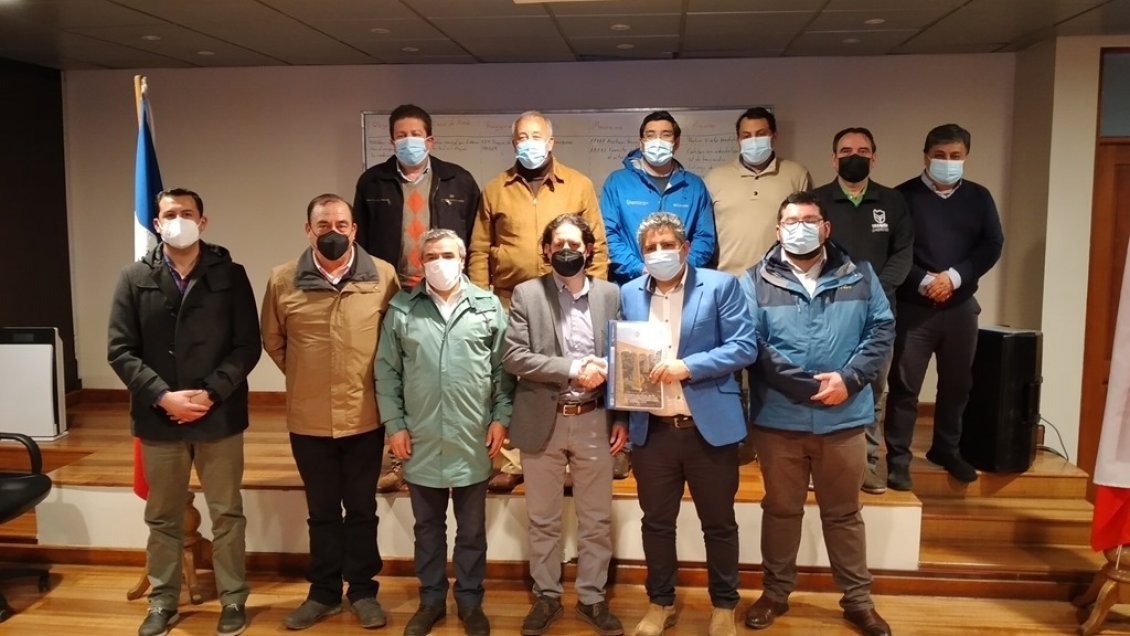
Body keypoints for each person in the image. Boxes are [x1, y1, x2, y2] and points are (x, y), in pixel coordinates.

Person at [740, 191, 894, 636]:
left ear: (826, 228)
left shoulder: (860, 274)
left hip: (843, 419)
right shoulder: (754, 280)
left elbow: (882, 329)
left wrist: (849, 379)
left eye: (809, 220)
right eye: (791, 221)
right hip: (779, 421)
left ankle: (858, 601)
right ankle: (775, 593)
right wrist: (808, 386)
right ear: (778, 230)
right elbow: (752, 343)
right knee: (781, 510)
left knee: (844, 514)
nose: (800, 228)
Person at [108, 188, 261, 636]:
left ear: (203, 221)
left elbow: (247, 346)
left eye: (187, 213)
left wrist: (210, 394)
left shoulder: (231, 274)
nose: (179, 220)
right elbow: (120, 350)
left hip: (219, 413)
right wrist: (163, 396)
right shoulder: (133, 277)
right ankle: (163, 601)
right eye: (170, 214)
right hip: (160, 417)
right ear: (157, 223)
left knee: (227, 513)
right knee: (163, 517)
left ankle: (233, 599)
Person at [261, 193, 400, 630]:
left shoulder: (383, 275)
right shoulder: (282, 279)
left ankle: (362, 591)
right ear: (309, 230)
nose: (333, 232)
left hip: (365, 416)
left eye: (341, 224)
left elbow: (394, 341)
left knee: (361, 509)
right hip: (309, 419)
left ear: (354, 229)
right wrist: (307, 376)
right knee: (321, 512)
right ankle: (323, 593)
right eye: (323, 225)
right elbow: (273, 340)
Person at [619, 212, 758, 636]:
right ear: (641, 254)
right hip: (653, 431)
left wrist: (689, 366)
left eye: (667, 245)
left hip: (707, 430)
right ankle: (660, 602)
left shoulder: (720, 285)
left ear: (684, 248)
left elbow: (744, 346)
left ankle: (724, 605)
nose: (659, 253)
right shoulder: (628, 293)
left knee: (719, 524)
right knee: (656, 524)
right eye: (650, 248)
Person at [376, 229, 510, 636]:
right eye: (431, 256)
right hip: (421, 438)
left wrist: (501, 417)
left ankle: (469, 600)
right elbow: (387, 372)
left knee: (472, 530)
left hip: (473, 437)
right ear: (421, 262)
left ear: (463, 258)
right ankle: (431, 600)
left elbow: (504, 370)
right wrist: (395, 426)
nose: (439, 262)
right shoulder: (402, 309)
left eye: (447, 255)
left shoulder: (488, 307)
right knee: (427, 529)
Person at [468, 110, 610, 492]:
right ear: (513, 143)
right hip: (507, 297)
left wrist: (594, 295)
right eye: (521, 137)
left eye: (536, 136)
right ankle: (513, 459)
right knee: (510, 378)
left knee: (561, 376)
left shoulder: (578, 184)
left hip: (565, 295)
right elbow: (479, 248)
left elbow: (596, 245)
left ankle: (567, 459)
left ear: (551, 142)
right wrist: (480, 300)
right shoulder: (495, 188)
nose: (528, 143)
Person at [502, 215, 628, 636]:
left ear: (589, 249)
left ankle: (592, 597)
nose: (567, 250)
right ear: (547, 250)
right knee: (543, 519)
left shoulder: (611, 294)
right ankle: (547, 596)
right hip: (545, 420)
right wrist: (574, 368)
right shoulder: (527, 294)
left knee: (596, 518)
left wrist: (621, 416)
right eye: (558, 244)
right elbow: (514, 357)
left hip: (595, 419)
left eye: (574, 243)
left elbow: (625, 357)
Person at [352, 103, 481, 494]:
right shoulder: (372, 183)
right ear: (391, 140)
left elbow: (476, 240)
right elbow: (360, 244)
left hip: (446, 292)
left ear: (430, 140)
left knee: (446, 375)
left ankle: (459, 456)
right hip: (393, 293)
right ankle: (396, 459)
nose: (408, 141)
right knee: (395, 373)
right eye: (401, 135)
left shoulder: (459, 181)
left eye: (415, 135)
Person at [883, 124, 1004, 491]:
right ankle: (898, 459)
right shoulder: (901, 197)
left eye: (955, 156)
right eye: (939, 155)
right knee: (905, 387)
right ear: (926, 156)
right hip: (914, 308)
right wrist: (924, 281)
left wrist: (953, 277)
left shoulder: (979, 197)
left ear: (966, 157)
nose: (947, 162)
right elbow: (894, 249)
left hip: (960, 306)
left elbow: (992, 244)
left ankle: (946, 449)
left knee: (957, 384)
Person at [811, 127, 913, 495]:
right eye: (846, 150)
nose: (855, 156)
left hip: (876, 315)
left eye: (863, 150)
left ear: (874, 157)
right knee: (824, 386)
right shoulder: (817, 200)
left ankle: (866, 465)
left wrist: (872, 293)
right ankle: (819, 464)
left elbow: (903, 254)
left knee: (872, 390)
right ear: (833, 158)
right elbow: (808, 254)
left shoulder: (893, 201)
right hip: (827, 312)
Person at [601, 110, 715, 285]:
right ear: (641, 143)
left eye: (665, 135)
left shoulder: (694, 186)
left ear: (676, 143)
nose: (658, 141)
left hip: (683, 286)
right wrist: (640, 269)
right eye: (650, 135)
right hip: (631, 283)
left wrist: (681, 270)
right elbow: (608, 235)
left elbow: (704, 237)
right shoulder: (617, 183)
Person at [705, 107, 812, 276]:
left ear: (774, 136)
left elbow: (807, 229)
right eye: (746, 136)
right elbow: (704, 234)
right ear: (738, 139)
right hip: (729, 279)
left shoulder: (797, 174)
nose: (753, 141)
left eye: (761, 134)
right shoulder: (714, 178)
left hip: (781, 278)